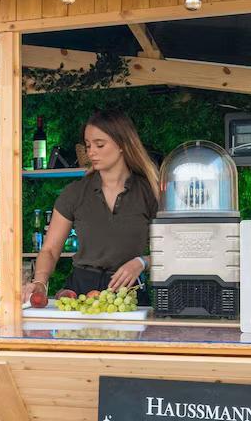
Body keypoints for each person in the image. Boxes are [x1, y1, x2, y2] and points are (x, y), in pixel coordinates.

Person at [23, 110, 159, 306]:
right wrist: (39, 282)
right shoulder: (75, 192)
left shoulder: (149, 192)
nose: (91, 152)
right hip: (80, 293)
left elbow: (171, 251)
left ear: (122, 144)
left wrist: (142, 262)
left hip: (129, 295)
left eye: (99, 145)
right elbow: (50, 250)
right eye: (88, 145)